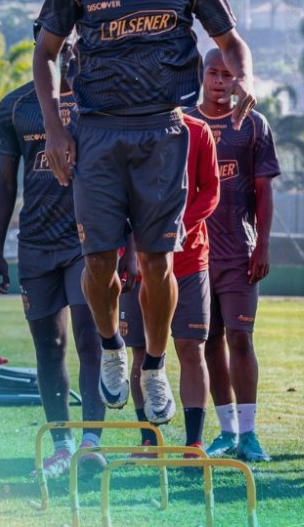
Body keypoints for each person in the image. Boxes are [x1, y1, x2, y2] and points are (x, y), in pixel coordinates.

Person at [31, 0, 256, 425]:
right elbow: (45, 56)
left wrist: (246, 75)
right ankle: (112, 348)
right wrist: (56, 132)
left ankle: (154, 366)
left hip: (162, 131)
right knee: (99, 260)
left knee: (158, 262)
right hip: (98, 132)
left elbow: (230, 42)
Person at [0, 31, 106, 477]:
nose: (67, 52)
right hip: (36, 245)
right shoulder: (15, 107)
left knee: (88, 337)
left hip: (86, 241)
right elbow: (5, 185)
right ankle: (60, 446)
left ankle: (90, 443)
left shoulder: (99, 102)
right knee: (49, 347)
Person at [189, 48, 280, 462]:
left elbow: (264, 191)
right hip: (194, 253)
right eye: (213, 72)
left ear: (236, 79)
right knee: (209, 341)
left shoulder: (253, 124)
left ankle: (249, 435)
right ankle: (225, 433)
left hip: (239, 253)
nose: (220, 81)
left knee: (240, 339)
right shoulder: (186, 124)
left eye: (227, 74)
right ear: (203, 74)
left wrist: (262, 244)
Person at [121, 112, 219, 451]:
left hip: (190, 259)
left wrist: (176, 229)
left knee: (191, 347)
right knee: (139, 351)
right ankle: (149, 440)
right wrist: (132, 247)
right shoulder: (130, 129)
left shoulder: (198, 131)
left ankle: (194, 442)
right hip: (136, 262)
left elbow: (211, 190)